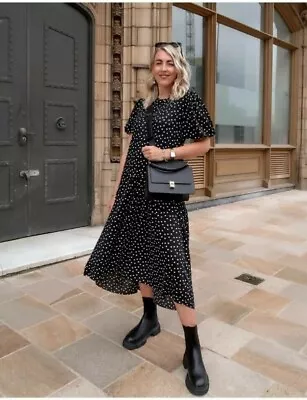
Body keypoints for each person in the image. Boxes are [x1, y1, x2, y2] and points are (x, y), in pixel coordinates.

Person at [84, 41, 215, 396]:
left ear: (178, 67)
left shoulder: (187, 100)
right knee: (138, 257)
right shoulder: (142, 105)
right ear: (152, 68)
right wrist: (115, 191)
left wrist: (166, 152)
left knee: (175, 265)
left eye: (169, 62)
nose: (163, 68)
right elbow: (129, 149)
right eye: (157, 62)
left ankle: (193, 348)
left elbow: (204, 143)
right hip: (132, 194)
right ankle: (150, 318)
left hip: (164, 196)